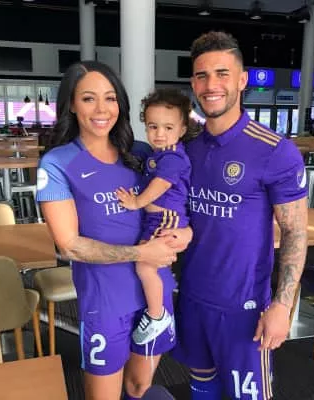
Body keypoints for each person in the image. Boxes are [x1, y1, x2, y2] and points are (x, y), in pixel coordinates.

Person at [36, 61, 192, 400]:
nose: (101, 109)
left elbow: (177, 202)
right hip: (105, 302)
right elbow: (69, 245)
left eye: (110, 98)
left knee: (139, 387)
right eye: (88, 98)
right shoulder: (58, 163)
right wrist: (141, 253)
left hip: (155, 295)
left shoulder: (141, 154)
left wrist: (187, 234)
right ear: (71, 105)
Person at [172, 31, 308, 399]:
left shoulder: (275, 151)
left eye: (222, 74)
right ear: (193, 84)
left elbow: (295, 232)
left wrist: (282, 305)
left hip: (244, 309)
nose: (211, 85)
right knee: (202, 389)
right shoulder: (186, 148)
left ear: (242, 80)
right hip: (193, 299)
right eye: (202, 76)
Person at [116, 88, 194, 346]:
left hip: (166, 219)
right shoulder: (157, 153)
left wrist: (137, 202)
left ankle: (157, 314)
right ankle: (157, 310)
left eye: (168, 128)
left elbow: (161, 184)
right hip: (156, 219)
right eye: (153, 126)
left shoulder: (172, 157)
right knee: (151, 264)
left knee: (145, 264)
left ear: (182, 129)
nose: (159, 133)